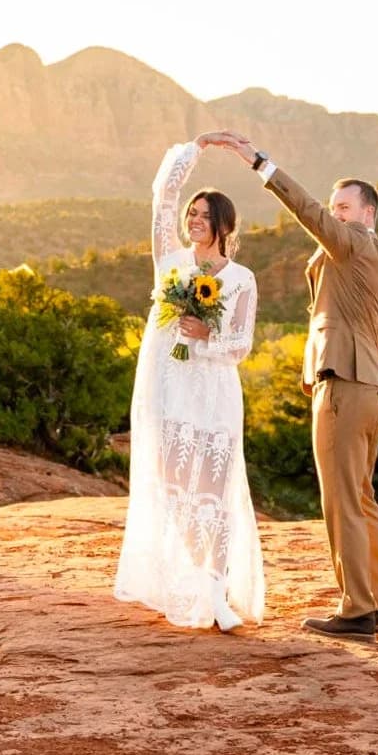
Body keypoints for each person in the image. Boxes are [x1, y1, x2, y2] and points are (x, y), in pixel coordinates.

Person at [202, 131, 378, 642]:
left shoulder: (354, 243)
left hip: (344, 384)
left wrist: (260, 163)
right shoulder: (374, 260)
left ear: (367, 214)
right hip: (370, 387)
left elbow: (309, 213)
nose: (335, 214)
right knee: (361, 498)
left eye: (345, 207)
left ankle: (356, 609)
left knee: (342, 501)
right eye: (335, 206)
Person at [112, 134, 265, 631]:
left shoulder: (241, 278)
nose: (193, 220)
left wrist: (205, 336)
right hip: (168, 390)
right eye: (192, 214)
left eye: (204, 215)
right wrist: (195, 148)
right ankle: (197, 580)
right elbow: (163, 198)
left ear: (224, 225)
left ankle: (218, 591)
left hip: (214, 394)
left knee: (213, 495)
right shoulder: (171, 263)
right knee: (177, 491)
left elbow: (240, 345)